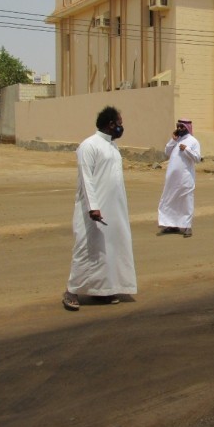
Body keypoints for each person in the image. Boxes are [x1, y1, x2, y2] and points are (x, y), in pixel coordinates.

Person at [62, 106, 137, 311]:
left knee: (108, 250)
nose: (121, 127)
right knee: (85, 249)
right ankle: (71, 291)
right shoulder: (89, 145)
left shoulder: (112, 146)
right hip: (93, 210)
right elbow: (86, 179)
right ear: (111, 124)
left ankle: (102, 290)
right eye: (120, 123)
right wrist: (93, 207)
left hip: (114, 210)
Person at [156, 118, 202, 238]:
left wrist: (186, 149)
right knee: (170, 200)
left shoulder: (193, 141)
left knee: (186, 202)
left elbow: (197, 158)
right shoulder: (177, 140)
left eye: (182, 127)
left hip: (185, 178)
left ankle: (187, 226)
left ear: (187, 128)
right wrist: (173, 140)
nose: (179, 129)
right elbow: (167, 152)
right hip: (172, 179)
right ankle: (171, 225)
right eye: (178, 127)